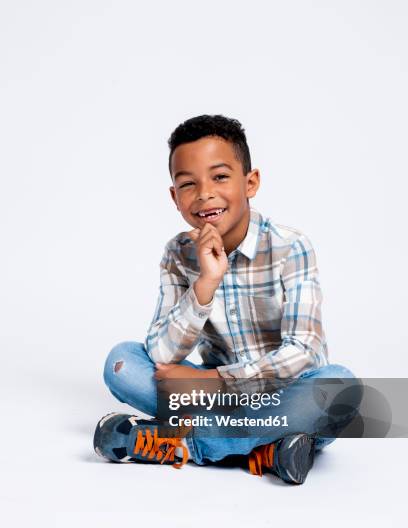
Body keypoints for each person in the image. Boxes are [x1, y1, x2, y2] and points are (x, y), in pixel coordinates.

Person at [93, 114, 361, 485]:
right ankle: (269, 447)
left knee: (339, 388)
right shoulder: (178, 253)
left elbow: (304, 351)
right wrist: (205, 283)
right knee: (122, 362)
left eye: (220, 177)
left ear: (250, 182)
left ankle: (186, 444)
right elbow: (159, 354)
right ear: (174, 197)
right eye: (188, 184)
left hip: (277, 392)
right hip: (210, 396)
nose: (205, 193)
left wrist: (216, 383)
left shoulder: (290, 247)